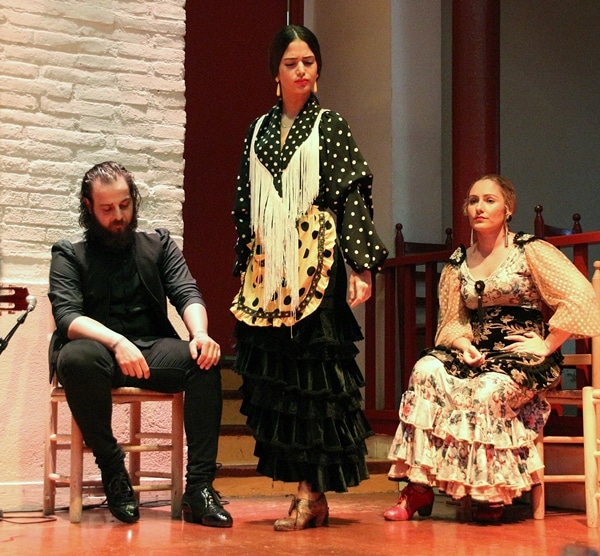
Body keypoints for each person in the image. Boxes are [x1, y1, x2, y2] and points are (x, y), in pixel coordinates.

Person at [230, 25, 388, 531]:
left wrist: (360, 266)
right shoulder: (257, 130)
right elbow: (243, 206)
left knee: (314, 380)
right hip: (269, 268)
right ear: (275, 73)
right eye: (291, 63)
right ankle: (307, 491)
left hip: (315, 260)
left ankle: (310, 491)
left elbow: (351, 199)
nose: (301, 70)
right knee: (281, 381)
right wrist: (244, 265)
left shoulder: (331, 126)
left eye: (309, 62)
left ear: (318, 70)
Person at [384, 174, 600, 522]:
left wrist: (546, 343)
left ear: (508, 208)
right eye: (473, 201)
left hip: (522, 357)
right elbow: (451, 321)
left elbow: (580, 297)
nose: (479, 207)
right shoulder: (457, 263)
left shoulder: (530, 250)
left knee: (486, 391)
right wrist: (463, 343)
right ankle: (419, 488)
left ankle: (490, 493)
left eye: (489, 199)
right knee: (425, 372)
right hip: (477, 354)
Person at [48, 161, 233, 527]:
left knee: (204, 360)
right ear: (88, 207)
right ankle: (113, 470)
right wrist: (117, 342)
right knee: (76, 358)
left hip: (149, 348)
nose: (118, 216)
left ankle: (199, 487)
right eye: (107, 209)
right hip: (97, 351)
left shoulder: (159, 244)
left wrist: (200, 334)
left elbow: (187, 292)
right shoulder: (69, 254)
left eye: (125, 205)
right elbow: (68, 318)